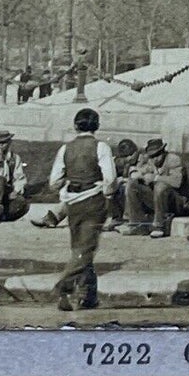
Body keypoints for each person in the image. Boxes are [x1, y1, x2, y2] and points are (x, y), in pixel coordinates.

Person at [47, 106, 117, 313]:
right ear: (96, 126)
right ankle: (64, 286)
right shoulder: (101, 147)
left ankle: (88, 296)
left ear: (76, 126)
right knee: (85, 250)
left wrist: (67, 186)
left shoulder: (65, 149)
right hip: (94, 201)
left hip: (73, 203)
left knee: (80, 248)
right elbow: (110, 179)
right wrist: (108, 195)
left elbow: (54, 182)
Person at [34, 137, 139, 231]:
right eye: (126, 156)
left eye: (131, 154)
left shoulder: (143, 160)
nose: (129, 158)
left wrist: (122, 180)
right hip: (110, 197)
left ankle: (122, 220)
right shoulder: (115, 162)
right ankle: (53, 217)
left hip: (133, 200)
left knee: (124, 187)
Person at [122, 136, 189, 238]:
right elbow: (143, 170)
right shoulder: (151, 161)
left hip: (177, 202)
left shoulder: (174, 160)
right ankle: (137, 225)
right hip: (159, 200)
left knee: (160, 186)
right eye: (151, 156)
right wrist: (135, 173)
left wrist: (155, 177)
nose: (154, 158)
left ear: (163, 151)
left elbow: (177, 182)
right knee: (132, 185)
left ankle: (159, 226)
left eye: (157, 155)